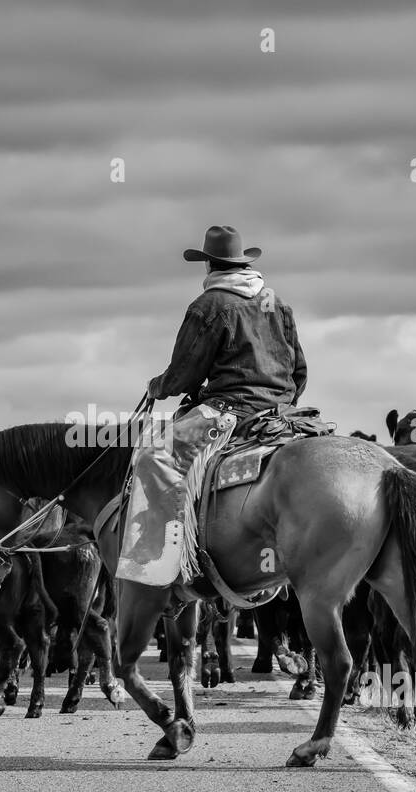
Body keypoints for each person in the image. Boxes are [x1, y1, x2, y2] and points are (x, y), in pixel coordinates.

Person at [116, 225, 307, 587]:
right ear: (241, 263)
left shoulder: (209, 305)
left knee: (153, 458)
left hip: (229, 410)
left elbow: (184, 376)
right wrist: (281, 402)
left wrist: (158, 385)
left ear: (209, 266)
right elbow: (299, 370)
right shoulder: (276, 302)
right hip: (282, 414)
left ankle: (159, 562)